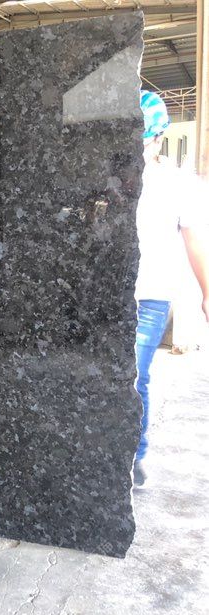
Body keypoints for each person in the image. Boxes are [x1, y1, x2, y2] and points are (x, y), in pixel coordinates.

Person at [133, 90, 209, 487]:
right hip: (107, 292)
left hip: (151, 295)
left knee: (135, 376)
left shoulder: (178, 182)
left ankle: (135, 455)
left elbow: (195, 240)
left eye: (144, 139)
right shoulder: (112, 177)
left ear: (158, 137)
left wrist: (207, 293)